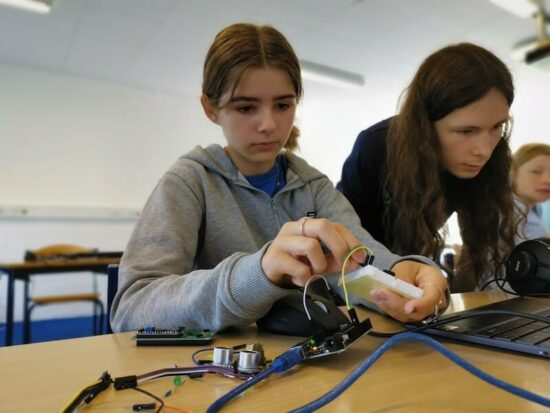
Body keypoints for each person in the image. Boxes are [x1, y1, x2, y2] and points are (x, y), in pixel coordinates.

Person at [110, 23, 448, 333]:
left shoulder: (313, 186)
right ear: (210, 109)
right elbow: (130, 309)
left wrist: (410, 274)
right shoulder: (188, 183)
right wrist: (256, 274)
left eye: (283, 105)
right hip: (215, 376)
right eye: (246, 108)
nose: (269, 124)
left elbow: (362, 257)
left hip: (309, 366)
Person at [337, 43, 517, 292]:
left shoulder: (482, 160)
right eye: (466, 131)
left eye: (497, 127)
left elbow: (476, 244)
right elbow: (347, 245)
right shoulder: (375, 146)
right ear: (425, 125)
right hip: (356, 282)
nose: (484, 150)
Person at [512, 143, 550, 241]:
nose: (547, 180)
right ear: (512, 172)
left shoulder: (535, 208)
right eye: (536, 172)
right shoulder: (507, 211)